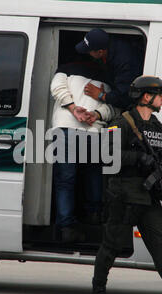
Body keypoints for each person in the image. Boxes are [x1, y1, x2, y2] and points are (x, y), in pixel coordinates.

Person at [91, 75, 162, 294]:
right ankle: (98, 291)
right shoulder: (121, 122)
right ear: (147, 97)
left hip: (150, 197)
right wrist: (138, 158)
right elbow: (106, 154)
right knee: (111, 245)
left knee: (161, 245)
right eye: (160, 96)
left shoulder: (159, 128)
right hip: (125, 195)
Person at [50, 61, 115, 243]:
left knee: (65, 180)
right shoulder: (107, 79)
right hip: (94, 130)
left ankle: (66, 228)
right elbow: (112, 108)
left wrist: (73, 108)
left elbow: (56, 88)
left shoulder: (65, 70)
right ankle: (94, 216)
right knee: (93, 175)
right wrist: (96, 115)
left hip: (65, 127)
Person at [75, 28, 143, 111]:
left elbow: (124, 95)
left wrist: (101, 96)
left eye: (89, 51)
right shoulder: (108, 48)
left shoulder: (125, 62)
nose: (88, 54)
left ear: (100, 52)